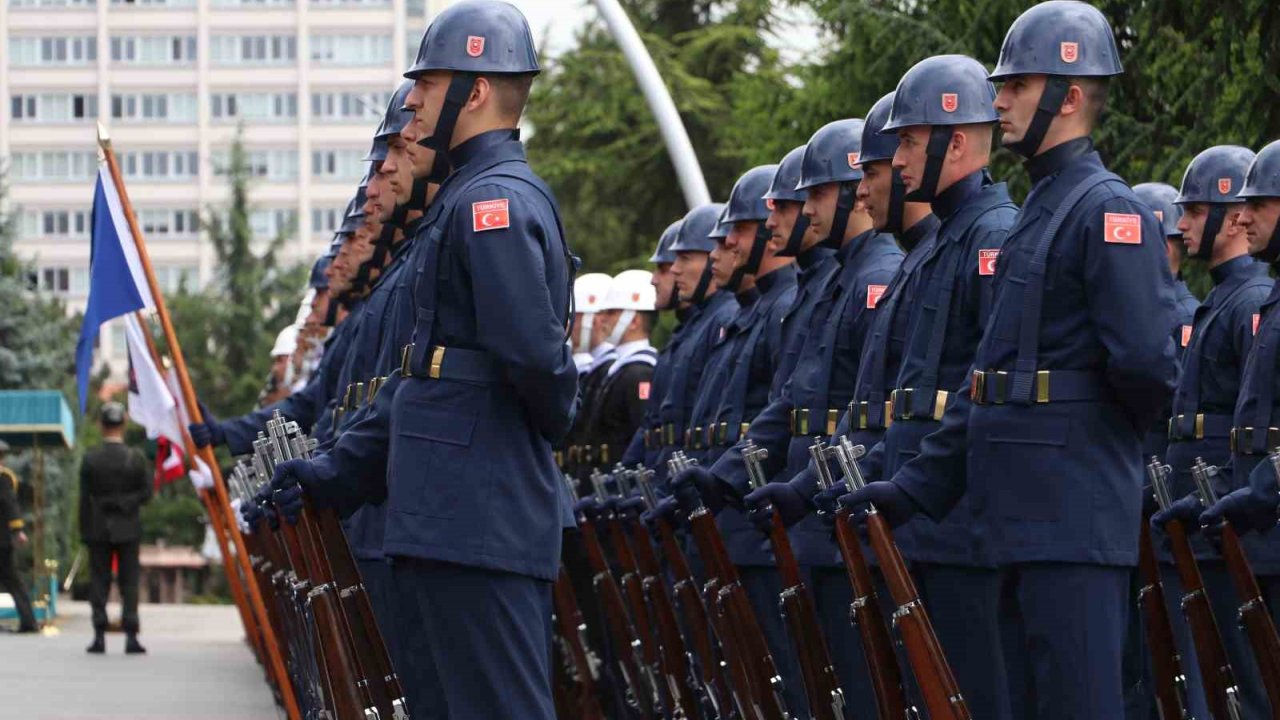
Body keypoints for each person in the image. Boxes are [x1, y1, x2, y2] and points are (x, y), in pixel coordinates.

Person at [841, 2, 1179, 716]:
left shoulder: (1104, 210)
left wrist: (1090, 451)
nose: (999, 102)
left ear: (1072, 95)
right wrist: (914, 488)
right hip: (1020, 516)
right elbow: (986, 381)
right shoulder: (1039, 214)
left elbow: (1147, 368)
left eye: (1017, 86)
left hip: (1072, 516)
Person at [276, 2, 577, 715]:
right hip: (446, 518)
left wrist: (549, 421)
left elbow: (533, 361)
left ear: (475, 91)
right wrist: (336, 472)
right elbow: (427, 381)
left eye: (430, 83)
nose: (413, 99)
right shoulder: (464, 201)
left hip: (478, 521)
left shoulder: (491, 204)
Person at [1147, 145, 1269, 717]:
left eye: (1194, 212)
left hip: (1253, 523)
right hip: (1219, 510)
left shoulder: (1249, 299)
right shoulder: (1227, 300)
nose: (1182, 224)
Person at [80, 402, 152, 654]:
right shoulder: (136, 458)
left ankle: (99, 635)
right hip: (128, 527)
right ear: (123, 424)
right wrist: (127, 502)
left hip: (98, 527)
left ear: (101, 425)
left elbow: (83, 499)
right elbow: (146, 492)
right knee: (129, 581)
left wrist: (84, 531)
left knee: (99, 581)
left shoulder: (91, 459)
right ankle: (131, 635)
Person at [0, 440, 36, 633]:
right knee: (12, 580)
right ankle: (28, 620)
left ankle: (29, 621)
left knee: (12, 580)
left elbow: (9, 503)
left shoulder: (3, 477)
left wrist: (17, 529)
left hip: (2, 539)